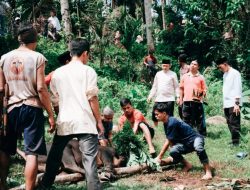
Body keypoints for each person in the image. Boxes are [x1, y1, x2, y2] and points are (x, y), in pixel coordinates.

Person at [39, 38, 103, 190]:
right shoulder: (88, 71)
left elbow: (55, 101)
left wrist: (58, 116)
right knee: (89, 160)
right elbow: (92, 98)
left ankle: (45, 185)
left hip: (65, 121)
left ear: (71, 52)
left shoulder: (58, 73)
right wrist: (99, 121)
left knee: (54, 156)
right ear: (85, 53)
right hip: (85, 122)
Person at [0, 24, 55, 190]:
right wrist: (51, 114)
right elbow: (40, 88)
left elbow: (1, 88)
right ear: (35, 41)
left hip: (9, 109)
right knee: (31, 152)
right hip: (31, 108)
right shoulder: (37, 57)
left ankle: (2, 184)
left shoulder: (3, 58)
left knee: (4, 149)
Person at [154, 103, 212, 180]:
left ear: (164, 113)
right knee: (173, 151)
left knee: (198, 148)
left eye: (157, 114)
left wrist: (159, 156)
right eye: (155, 115)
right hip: (185, 144)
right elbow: (170, 138)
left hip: (195, 139)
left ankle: (208, 172)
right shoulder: (166, 123)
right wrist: (173, 152)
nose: (156, 116)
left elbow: (168, 140)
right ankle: (187, 165)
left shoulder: (172, 122)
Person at [216, 57, 242, 146]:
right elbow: (225, 90)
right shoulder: (225, 75)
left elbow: (238, 89)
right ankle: (233, 139)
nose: (220, 69)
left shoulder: (235, 73)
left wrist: (237, 104)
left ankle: (236, 142)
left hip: (234, 103)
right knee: (229, 122)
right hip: (227, 103)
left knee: (234, 123)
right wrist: (224, 104)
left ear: (225, 64)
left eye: (221, 67)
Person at [147, 59, 179, 127]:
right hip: (159, 98)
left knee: (169, 116)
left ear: (170, 66)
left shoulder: (173, 74)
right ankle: (156, 128)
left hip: (169, 98)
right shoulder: (158, 74)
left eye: (166, 66)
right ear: (161, 65)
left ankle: (169, 128)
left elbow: (176, 87)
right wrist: (150, 96)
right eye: (163, 66)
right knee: (154, 113)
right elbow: (154, 86)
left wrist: (178, 97)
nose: (165, 67)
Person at [179, 60, 207, 136]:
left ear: (198, 67)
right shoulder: (184, 76)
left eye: (195, 64)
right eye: (191, 64)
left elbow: (205, 90)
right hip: (186, 100)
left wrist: (200, 94)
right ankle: (186, 134)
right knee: (186, 118)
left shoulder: (201, 77)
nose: (192, 65)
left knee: (199, 119)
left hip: (197, 101)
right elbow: (181, 88)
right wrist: (180, 99)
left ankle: (201, 134)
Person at [178, 54, 190, 119]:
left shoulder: (189, 67)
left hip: (188, 89)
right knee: (180, 106)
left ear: (180, 60)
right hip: (182, 89)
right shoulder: (181, 69)